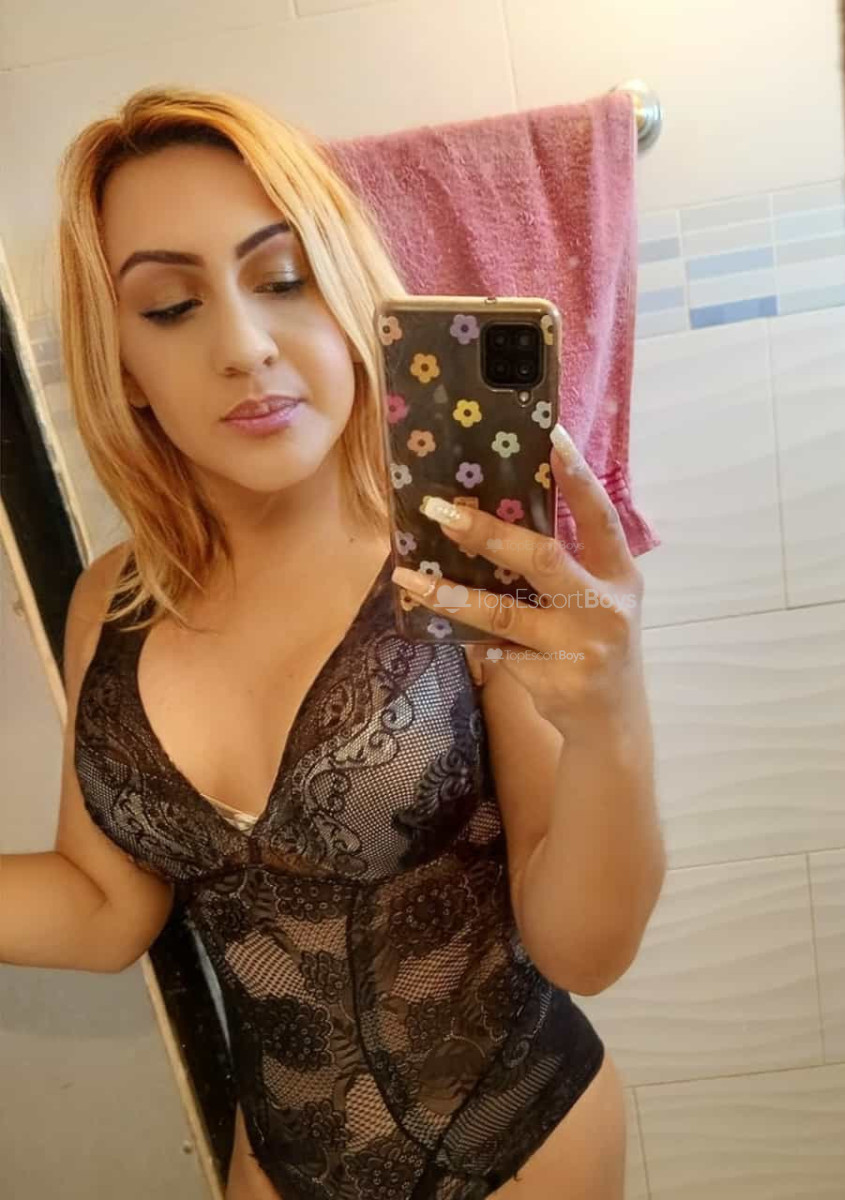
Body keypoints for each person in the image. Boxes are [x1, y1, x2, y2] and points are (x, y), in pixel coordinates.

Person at [0, 85, 666, 1200]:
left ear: (353, 298)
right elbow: (104, 905)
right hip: (273, 1167)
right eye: (171, 306)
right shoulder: (112, 601)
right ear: (120, 366)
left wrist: (615, 726)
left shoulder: (466, 551)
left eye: (283, 279)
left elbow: (584, 952)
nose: (243, 346)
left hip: (517, 1153)